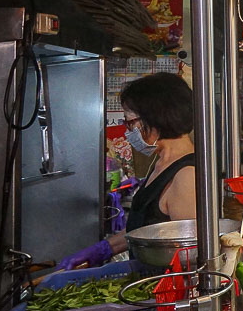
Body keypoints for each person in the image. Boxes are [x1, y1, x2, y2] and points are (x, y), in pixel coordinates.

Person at [55, 73, 196, 269]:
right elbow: (149, 231)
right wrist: (105, 248)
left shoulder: (186, 175)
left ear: (157, 118)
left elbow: (190, 256)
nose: (128, 131)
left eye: (130, 122)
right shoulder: (162, 163)